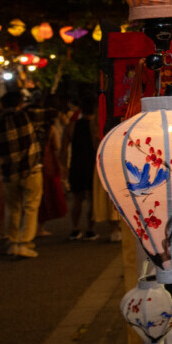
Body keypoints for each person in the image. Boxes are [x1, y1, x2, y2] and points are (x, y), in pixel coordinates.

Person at [0, 90, 43, 259]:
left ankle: (13, 243)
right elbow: (49, 114)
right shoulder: (27, 116)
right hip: (30, 168)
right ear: (19, 103)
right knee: (31, 207)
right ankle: (25, 244)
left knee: (13, 208)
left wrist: (6, 152)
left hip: (8, 171)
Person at [32, 96, 67, 235]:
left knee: (35, 197)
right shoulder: (49, 128)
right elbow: (56, 146)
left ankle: (33, 227)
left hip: (35, 163)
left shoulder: (31, 127)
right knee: (45, 195)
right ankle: (39, 227)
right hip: (48, 163)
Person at [65, 96, 99, 241]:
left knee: (76, 198)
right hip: (90, 164)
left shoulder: (72, 126)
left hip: (75, 164)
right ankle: (90, 230)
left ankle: (75, 229)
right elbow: (96, 145)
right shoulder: (95, 126)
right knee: (91, 198)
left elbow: (62, 147)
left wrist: (63, 166)